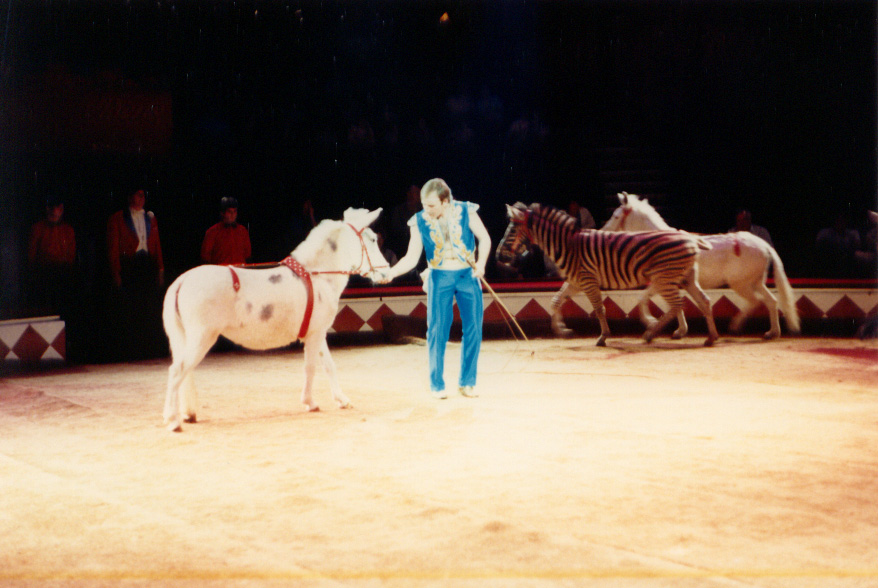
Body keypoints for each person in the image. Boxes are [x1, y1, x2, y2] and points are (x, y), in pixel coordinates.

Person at [376, 179, 491, 399]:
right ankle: (436, 384)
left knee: (474, 328)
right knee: (438, 330)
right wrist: (391, 273)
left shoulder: (467, 210)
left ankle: (467, 382)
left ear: (445, 202)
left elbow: (484, 238)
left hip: (468, 274)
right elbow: (411, 258)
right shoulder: (419, 221)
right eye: (424, 205)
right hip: (440, 275)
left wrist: (482, 264)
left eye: (431, 206)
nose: (425, 210)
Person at [106, 188, 166, 360]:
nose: (141, 199)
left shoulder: (150, 218)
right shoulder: (118, 218)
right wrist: (116, 272)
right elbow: (113, 248)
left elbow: (157, 244)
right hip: (129, 265)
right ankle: (131, 351)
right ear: (130, 197)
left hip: (147, 265)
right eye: (137, 195)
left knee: (149, 308)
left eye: (143, 195)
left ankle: (149, 350)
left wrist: (160, 269)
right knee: (130, 310)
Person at [27, 195, 76, 315]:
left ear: (62, 209)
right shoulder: (37, 228)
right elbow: (31, 255)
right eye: (51, 207)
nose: (54, 211)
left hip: (63, 277)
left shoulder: (68, 230)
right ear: (46, 209)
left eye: (58, 208)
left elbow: (71, 256)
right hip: (43, 276)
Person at [200, 197, 251, 265]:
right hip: (220, 272)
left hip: (239, 271)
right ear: (222, 213)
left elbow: (247, 255)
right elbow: (205, 258)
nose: (232, 215)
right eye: (229, 212)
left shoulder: (243, 231)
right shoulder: (212, 232)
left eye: (235, 211)